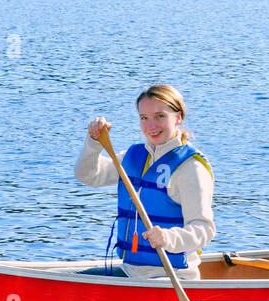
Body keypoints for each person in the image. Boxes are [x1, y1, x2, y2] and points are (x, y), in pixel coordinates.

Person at [76, 84, 215, 280]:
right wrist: (93, 143)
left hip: (173, 276)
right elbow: (88, 175)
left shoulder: (191, 168)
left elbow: (203, 229)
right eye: (144, 118)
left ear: (178, 117)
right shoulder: (134, 157)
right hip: (132, 272)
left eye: (160, 116)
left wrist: (168, 237)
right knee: (75, 281)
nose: (151, 126)